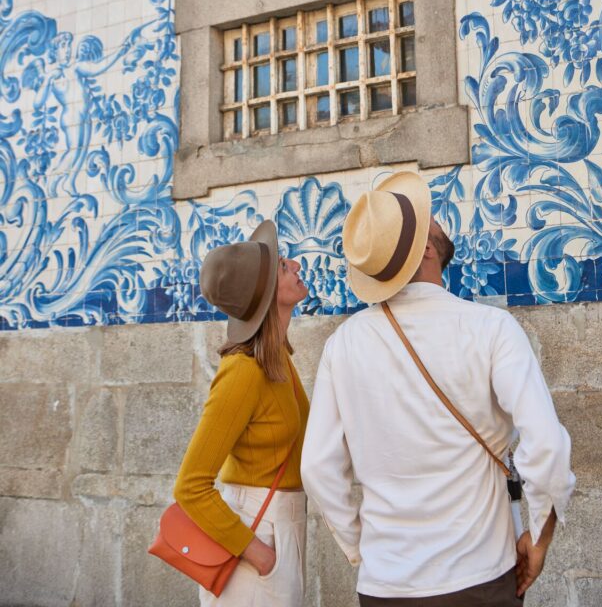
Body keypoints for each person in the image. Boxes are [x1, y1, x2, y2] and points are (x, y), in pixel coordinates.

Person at [301, 172, 575, 607]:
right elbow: (547, 447)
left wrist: (360, 549)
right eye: (431, 221)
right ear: (426, 249)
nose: (439, 223)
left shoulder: (343, 344)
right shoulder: (490, 329)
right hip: (480, 577)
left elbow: (317, 467)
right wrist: (538, 540)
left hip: (384, 586)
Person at [174, 220, 310, 607]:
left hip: (280, 529)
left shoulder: (276, 358)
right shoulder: (243, 371)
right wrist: (261, 556)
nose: (297, 265)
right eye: (285, 266)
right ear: (267, 294)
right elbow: (190, 487)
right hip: (255, 537)